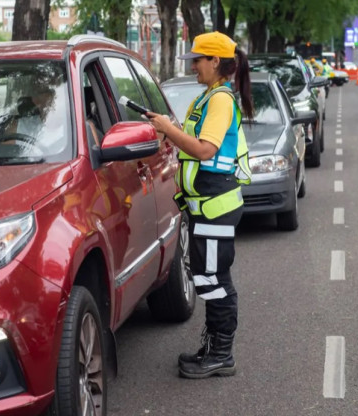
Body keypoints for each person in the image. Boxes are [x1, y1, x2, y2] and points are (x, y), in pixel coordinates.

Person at [146, 31, 253, 379]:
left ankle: (222, 355)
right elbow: (194, 141)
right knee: (209, 277)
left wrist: (168, 129)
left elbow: (205, 149)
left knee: (215, 278)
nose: (194, 66)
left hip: (215, 206)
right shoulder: (208, 97)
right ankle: (213, 349)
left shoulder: (220, 99)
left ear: (215, 62)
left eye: (198, 60)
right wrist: (166, 129)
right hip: (207, 205)